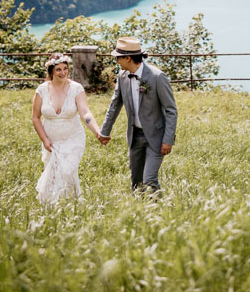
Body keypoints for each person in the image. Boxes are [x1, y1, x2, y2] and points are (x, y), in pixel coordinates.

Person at [99, 37, 177, 193]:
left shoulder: (157, 77)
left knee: (149, 181)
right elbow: (115, 105)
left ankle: (159, 213)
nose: (117, 61)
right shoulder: (122, 77)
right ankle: (140, 213)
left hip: (156, 138)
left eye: (118, 58)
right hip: (135, 137)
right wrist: (104, 131)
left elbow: (171, 110)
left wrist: (168, 140)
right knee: (136, 183)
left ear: (128, 58)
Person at [32, 52, 106, 204]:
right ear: (51, 71)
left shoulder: (76, 88)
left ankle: (59, 203)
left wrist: (97, 131)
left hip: (73, 138)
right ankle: (62, 204)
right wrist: (44, 139)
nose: (63, 72)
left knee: (66, 170)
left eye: (65, 68)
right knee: (53, 174)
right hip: (51, 140)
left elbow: (85, 113)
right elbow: (35, 117)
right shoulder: (42, 90)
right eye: (58, 69)